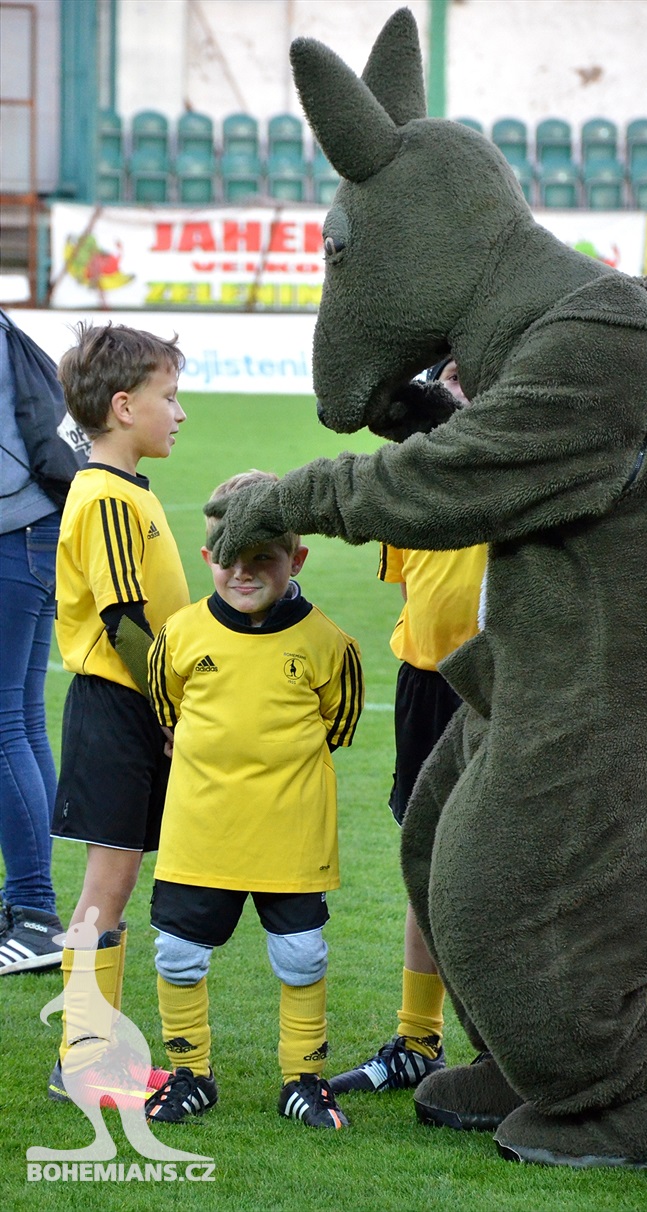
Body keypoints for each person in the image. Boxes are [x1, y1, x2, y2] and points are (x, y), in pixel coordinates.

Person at [144, 470, 363, 1130]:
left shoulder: (328, 644)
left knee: (302, 958)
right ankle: (190, 1074)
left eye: (263, 558)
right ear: (207, 557)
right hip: (198, 835)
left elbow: (337, 723)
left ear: (295, 558)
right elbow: (168, 712)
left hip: (290, 837)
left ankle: (303, 1080)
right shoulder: (179, 637)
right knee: (178, 956)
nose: (245, 572)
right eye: (229, 559)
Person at [329, 358, 487, 1095]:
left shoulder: (518, 461)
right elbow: (417, 593)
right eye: (442, 380)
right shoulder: (411, 473)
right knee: (424, 862)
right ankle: (417, 1040)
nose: (446, 394)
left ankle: (507, 1047)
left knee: (504, 868)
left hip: (505, 686)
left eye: (462, 379)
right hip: (427, 684)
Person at [46, 322, 189, 1100]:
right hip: (117, 705)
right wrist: (169, 707)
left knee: (121, 877)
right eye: (171, 397)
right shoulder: (102, 494)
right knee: (107, 880)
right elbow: (122, 619)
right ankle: (83, 1058)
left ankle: (93, 1052)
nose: (180, 412)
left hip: (135, 705)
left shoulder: (127, 489)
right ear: (126, 406)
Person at [0, 314, 71, 972]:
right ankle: (29, 904)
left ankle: (33, 912)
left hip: (13, 536)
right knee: (19, 719)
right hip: (36, 533)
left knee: (5, 725)